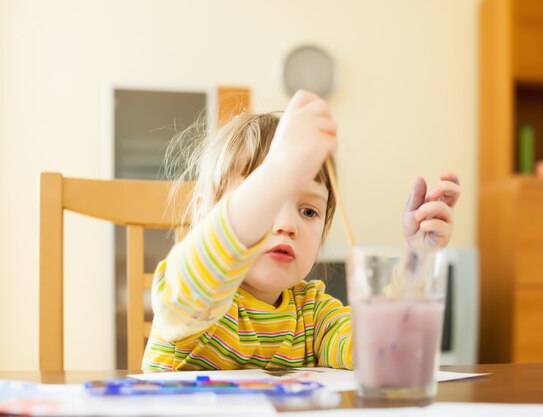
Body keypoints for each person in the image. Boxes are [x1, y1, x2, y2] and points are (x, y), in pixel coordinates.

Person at [142, 90, 460, 371]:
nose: (287, 226)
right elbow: (197, 272)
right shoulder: (195, 301)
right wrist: (278, 171)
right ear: (203, 215)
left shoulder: (313, 314)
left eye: (308, 211)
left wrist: (419, 259)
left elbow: (380, 348)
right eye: (267, 200)